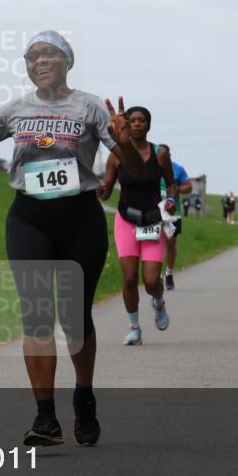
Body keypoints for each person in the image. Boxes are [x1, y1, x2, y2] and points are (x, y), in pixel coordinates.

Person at [0, 30, 145, 447]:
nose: (39, 61)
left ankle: (84, 395)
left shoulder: (91, 106)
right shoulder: (15, 109)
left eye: (49, 53)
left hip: (79, 218)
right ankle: (45, 417)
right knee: (36, 316)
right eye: (32, 55)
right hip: (29, 217)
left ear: (67, 62)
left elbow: (133, 168)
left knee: (75, 319)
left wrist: (124, 144)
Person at [98, 108, 178, 346]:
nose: (136, 124)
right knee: (130, 276)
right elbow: (107, 191)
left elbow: (172, 185)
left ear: (149, 125)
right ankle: (134, 328)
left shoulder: (160, 154)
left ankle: (159, 302)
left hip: (152, 220)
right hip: (126, 220)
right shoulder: (116, 156)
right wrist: (101, 191)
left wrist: (171, 199)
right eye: (131, 121)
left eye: (142, 121)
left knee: (152, 280)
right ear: (125, 125)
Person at [159, 153, 191, 291]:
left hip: (173, 213)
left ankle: (169, 273)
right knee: (155, 243)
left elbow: (188, 187)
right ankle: (157, 276)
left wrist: (176, 189)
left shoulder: (178, 169)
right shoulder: (150, 168)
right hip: (153, 212)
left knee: (170, 245)